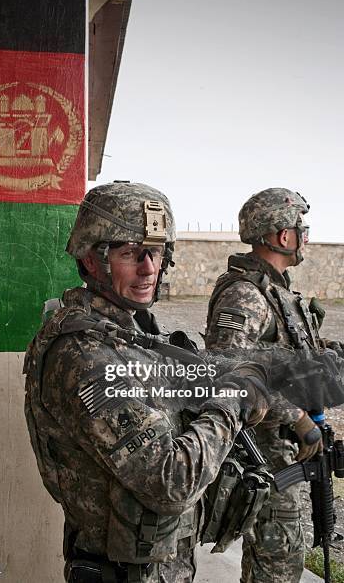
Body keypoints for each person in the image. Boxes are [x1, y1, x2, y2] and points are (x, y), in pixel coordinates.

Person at [24, 181, 270, 583]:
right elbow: (172, 482)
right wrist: (231, 404)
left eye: (156, 253)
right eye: (130, 253)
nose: (149, 268)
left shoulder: (127, 332)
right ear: (91, 261)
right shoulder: (86, 357)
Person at [205, 187, 325, 583]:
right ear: (282, 236)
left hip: (284, 453)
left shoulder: (278, 291)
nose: (304, 235)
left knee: (286, 560)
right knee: (274, 569)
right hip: (264, 457)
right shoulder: (245, 294)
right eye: (299, 228)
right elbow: (230, 372)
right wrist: (298, 418)